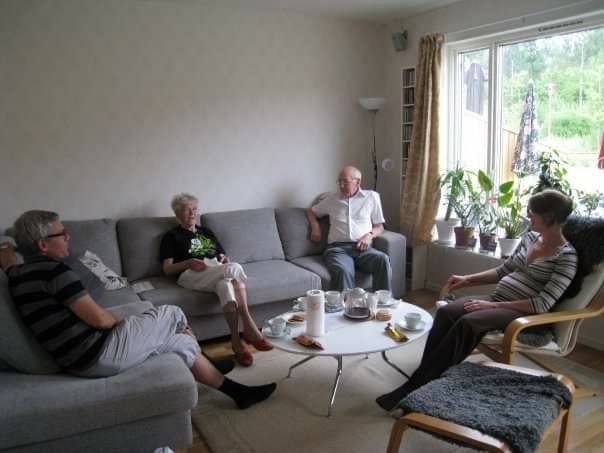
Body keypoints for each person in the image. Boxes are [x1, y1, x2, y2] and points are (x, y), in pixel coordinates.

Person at [1, 210, 276, 410]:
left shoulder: (19, 273)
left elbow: (9, 259)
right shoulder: (56, 272)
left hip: (80, 356)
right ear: (43, 244)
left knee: (179, 342)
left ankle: (239, 393)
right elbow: (101, 320)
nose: (68, 237)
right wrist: (126, 320)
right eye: (62, 234)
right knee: (172, 313)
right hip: (97, 353)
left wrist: (7, 251)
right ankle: (213, 359)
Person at [376, 189, 578, 412]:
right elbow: (504, 270)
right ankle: (428, 373)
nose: (527, 215)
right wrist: (467, 279)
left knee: (469, 323)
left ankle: (414, 387)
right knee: (446, 312)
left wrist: (492, 305)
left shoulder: (566, 257)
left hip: (524, 312)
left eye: (532, 212)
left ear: (549, 217)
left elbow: (542, 304)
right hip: (498, 300)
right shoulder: (531, 238)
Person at [160, 193, 272, 367]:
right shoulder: (171, 236)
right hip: (189, 274)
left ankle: (236, 343)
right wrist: (188, 263)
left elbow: (223, 256)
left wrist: (224, 260)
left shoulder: (206, 232)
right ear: (177, 214)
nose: (192, 213)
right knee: (234, 270)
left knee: (226, 285)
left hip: (215, 270)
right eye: (187, 210)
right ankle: (250, 328)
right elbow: (167, 269)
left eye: (194, 209)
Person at [305, 165, 392, 291]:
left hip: (363, 249)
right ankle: (349, 303)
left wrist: (369, 236)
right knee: (343, 270)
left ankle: (383, 302)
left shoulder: (371, 197)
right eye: (339, 181)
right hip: (338, 249)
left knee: (382, 259)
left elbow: (379, 226)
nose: (341, 185)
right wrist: (315, 227)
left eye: (345, 181)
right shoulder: (332, 200)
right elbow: (310, 211)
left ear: (358, 182)